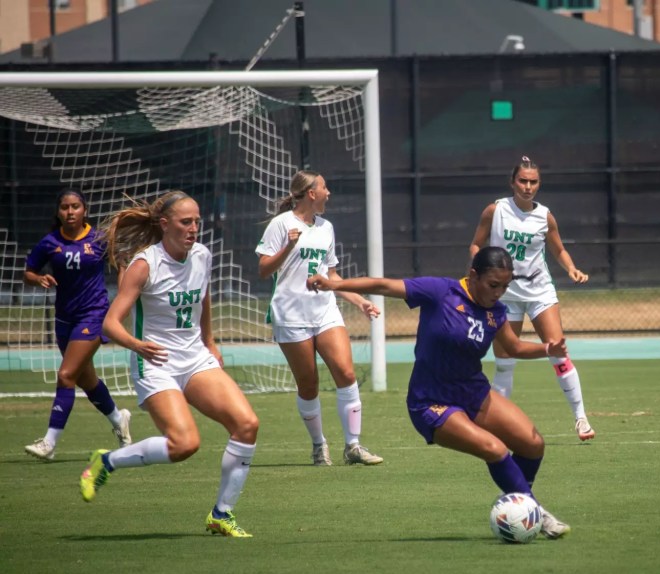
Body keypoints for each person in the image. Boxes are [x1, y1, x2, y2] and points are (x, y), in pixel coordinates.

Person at [307, 246, 572, 539]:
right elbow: (383, 285)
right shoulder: (440, 292)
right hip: (430, 401)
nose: (499, 293)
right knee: (495, 449)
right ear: (474, 275)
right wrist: (334, 284)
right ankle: (536, 514)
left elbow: (513, 347)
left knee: (533, 444)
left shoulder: (495, 312)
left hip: (474, 392)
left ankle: (518, 502)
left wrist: (548, 349)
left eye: (505, 286)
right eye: (493, 285)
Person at [79, 190, 260, 538]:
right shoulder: (145, 264)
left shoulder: (202, 255)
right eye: (185, 222)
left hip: (195, 359)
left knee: (247, 425)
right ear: (164, 224)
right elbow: (110, 323)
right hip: (156, 364)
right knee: (183, 444)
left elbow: (203, 298)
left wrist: (210, 342)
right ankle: (106, 461)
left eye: (197, 222)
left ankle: (221, 514)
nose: (193, 229)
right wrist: (137, 346)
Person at [256, 170, 382, 467]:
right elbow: (263, 270)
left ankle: (353, 446)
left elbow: (332, 276)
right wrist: (288, 246)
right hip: (290, 315)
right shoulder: (281, 224)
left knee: (346, 373)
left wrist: (360, 300)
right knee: (308, 384)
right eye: (325, 188)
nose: (329, 193)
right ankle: (318, 445)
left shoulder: (327, 227)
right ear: (312, 193)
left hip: (325, 311)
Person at [469, 155, 595, 442]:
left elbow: (558, 249)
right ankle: (496, 426)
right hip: (505, 295)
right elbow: (476, 244)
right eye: (523, 181)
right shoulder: (496, 210)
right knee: (504, 361)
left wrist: (571, 268)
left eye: (533, 182)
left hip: (540, 291)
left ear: (539, 184)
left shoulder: (545, 216)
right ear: (513, 182)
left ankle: (581, 418)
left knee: (558, 351)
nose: (528, 187)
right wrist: (479, 269)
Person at [22, 188, 132, 461]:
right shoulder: (50, 242)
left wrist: (123, 299)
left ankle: (49, 443)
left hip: (93, 315)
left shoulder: (99, 239)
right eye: (65, 207)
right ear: (58, 212)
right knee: (86, 380)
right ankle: (119, 419)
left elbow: (123, 264)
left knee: (66, 375)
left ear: (85, 210)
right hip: (64, 319)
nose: (70, 212)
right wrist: (38, 279)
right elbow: (29, 272)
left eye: (75, 206)